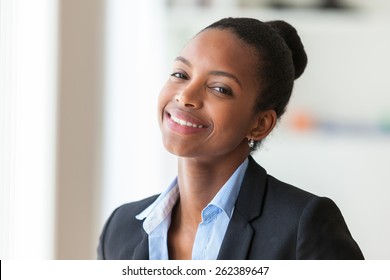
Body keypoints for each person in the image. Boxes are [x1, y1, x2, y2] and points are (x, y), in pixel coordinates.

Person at [97, 17, 364, 260]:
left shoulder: (303, 226)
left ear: (260, 124)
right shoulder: (120, 229)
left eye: (220, 89)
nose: (185, 96)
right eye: (181, 74)